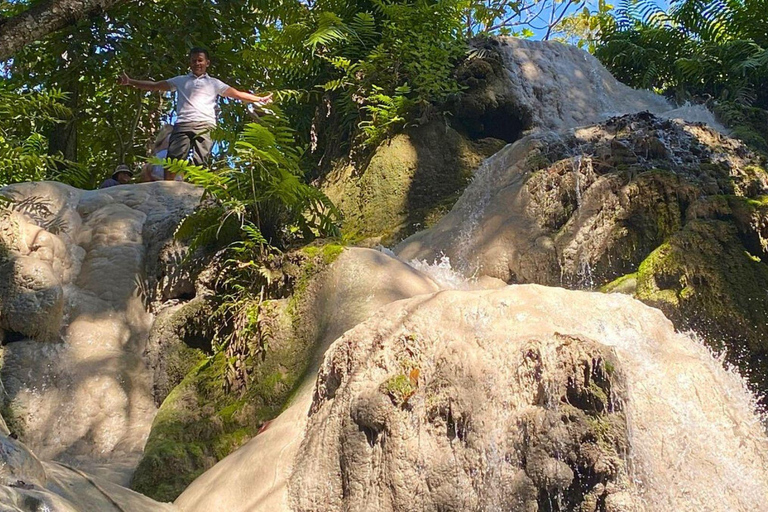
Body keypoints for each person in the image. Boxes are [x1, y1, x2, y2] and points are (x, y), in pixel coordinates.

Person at [118, 47, 272, 179]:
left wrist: (258, 99)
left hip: (205, 125)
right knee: (174, 159)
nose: (197, 64)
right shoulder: (181, 80)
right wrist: (130, 81)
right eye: (193, 61)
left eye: (200, 60)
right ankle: (168, 188)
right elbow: (155, 85)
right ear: (190, 63)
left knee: (201, 161)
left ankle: (197, 192)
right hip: (184, 123)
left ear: (207, 63)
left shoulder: (214, 83)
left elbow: (237, 94)